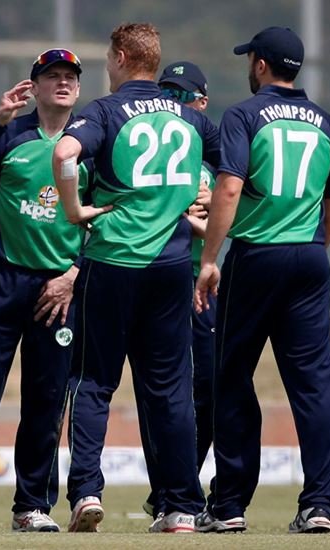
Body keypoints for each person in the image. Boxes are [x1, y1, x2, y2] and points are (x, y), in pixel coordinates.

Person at [51, 22, 220, 534]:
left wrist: (75, 208)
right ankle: (182, 507)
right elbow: (236, 170)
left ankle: (85, 492)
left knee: (94, 381)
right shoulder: (189, 117)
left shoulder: (104, 110)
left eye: (107, 57)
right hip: (172, 266)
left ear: (122, 57)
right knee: (170, 388)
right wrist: (208, 203)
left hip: (113, 260)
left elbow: (63, 154)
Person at [193, 26, 330, 534]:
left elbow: (231, 186)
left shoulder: (244, 114)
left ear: (260, 65)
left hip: (257, 257)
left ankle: (230, 505)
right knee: (315, 386)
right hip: (308, 259)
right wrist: (312, 248)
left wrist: (210, 256)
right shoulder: (326, 121)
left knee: (232, 377)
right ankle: (321, 504)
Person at [0, 48, 91, 533]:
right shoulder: (11, 134)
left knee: (46, 399)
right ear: (35, 84)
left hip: (60, 289)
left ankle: (32, 506)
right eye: (53, 75)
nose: (63, 83)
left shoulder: (92, 141)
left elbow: (112, 218)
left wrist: (75, 274)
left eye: (71, 76)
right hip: (4, 281)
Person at [136, 60, 216, 518]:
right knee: (159, 390)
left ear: (201, 104)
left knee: (207, 386)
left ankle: (179, 479)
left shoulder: (212, 163)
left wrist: (211, 212)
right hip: (155, 276)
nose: (171, 103)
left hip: (197, 283)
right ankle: (168, 491)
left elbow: (223, 223)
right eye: (165, 92)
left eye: (181, 95)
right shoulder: (147, 153)